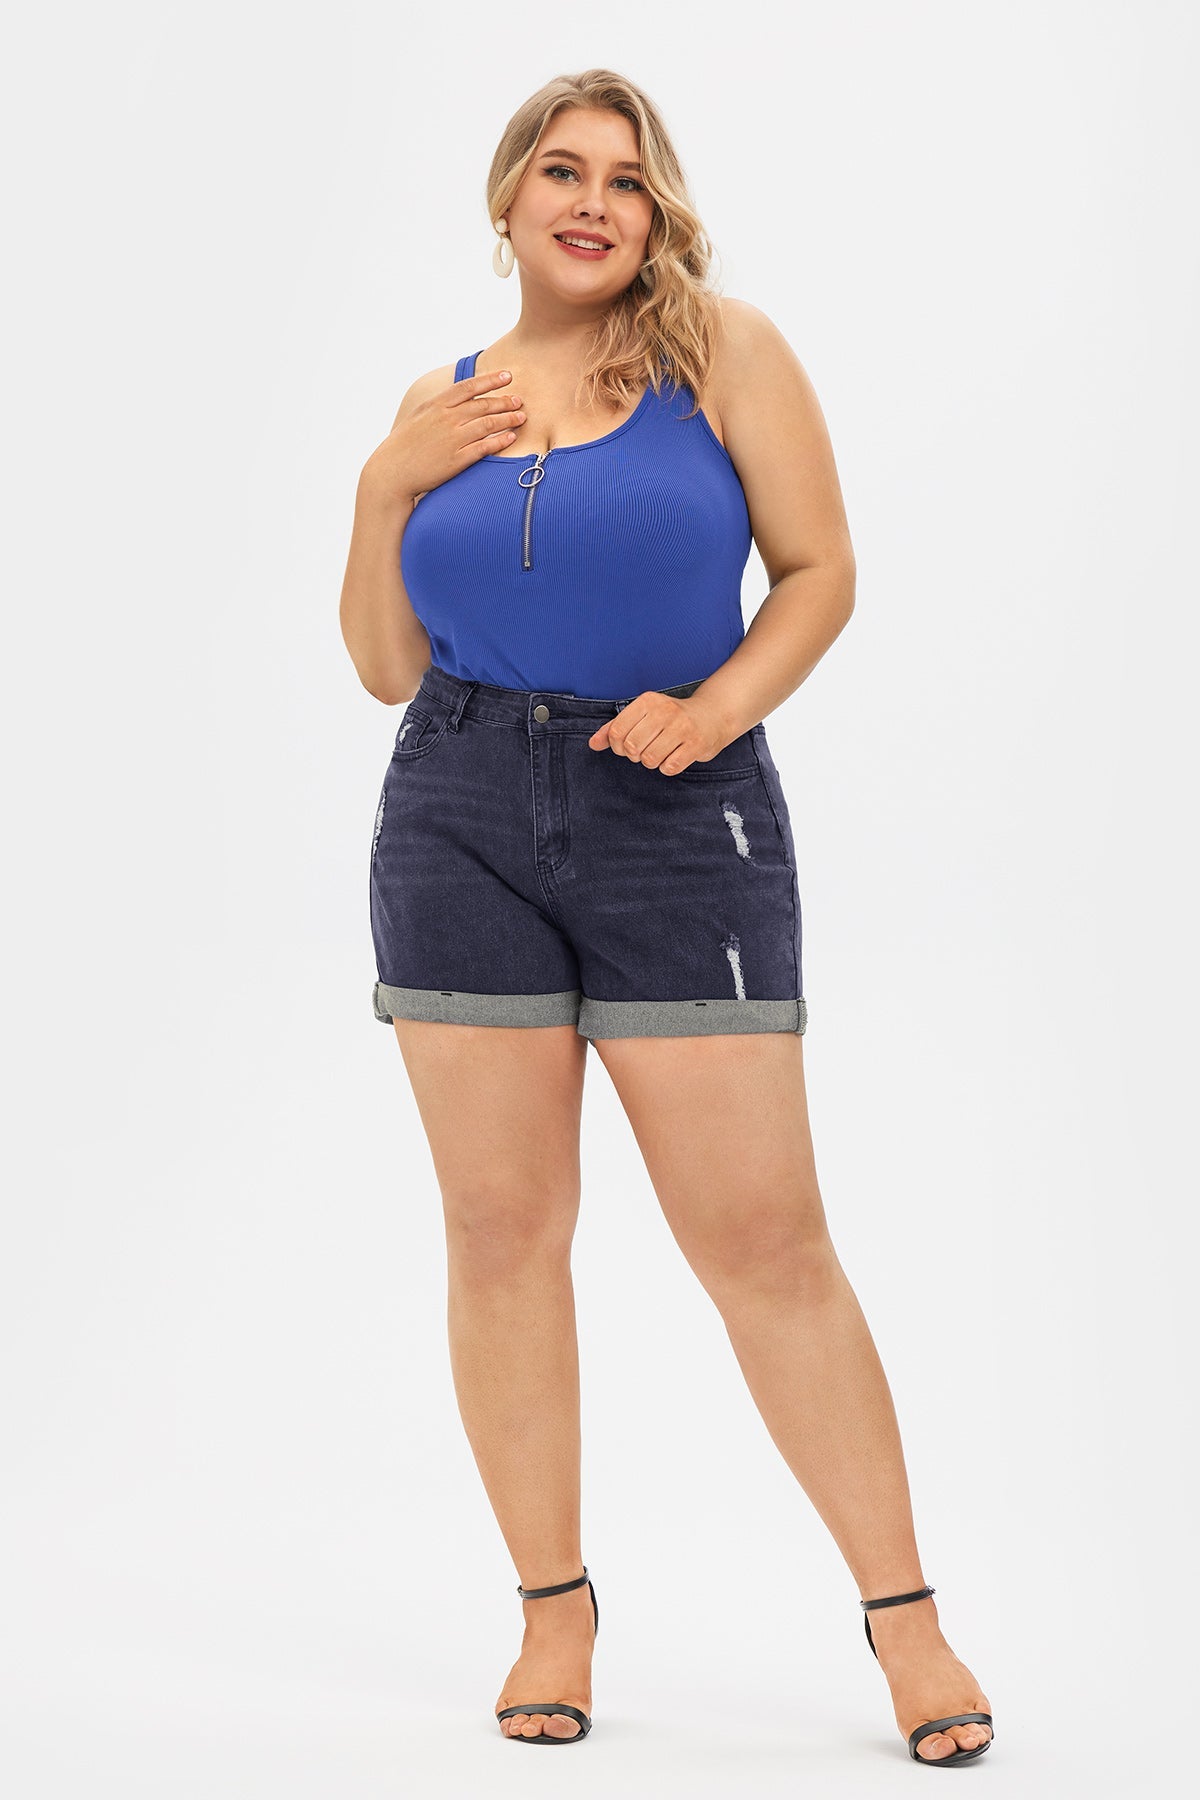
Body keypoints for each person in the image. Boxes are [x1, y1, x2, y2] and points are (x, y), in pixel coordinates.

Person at [338, 67, 994, 1767]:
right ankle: (552, 1608)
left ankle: (907, 1619)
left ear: (657, 214)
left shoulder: (726, 357)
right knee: (502, 1232)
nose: (592, 201)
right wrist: (383, 484)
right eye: (561, 171)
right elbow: (386, 667)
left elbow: (821, 572)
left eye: (625, 180)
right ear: (507, 200)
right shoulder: (439, 401)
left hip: (678, 816)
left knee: (764, 1242)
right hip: (457, 811)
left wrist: (715, 711)